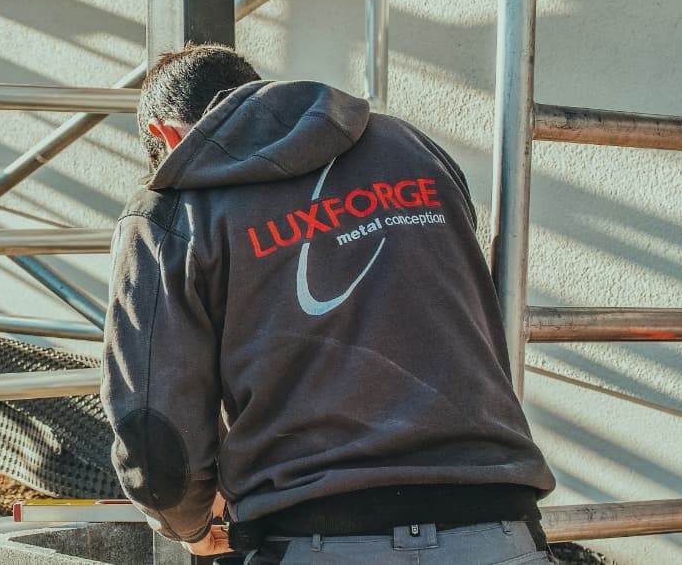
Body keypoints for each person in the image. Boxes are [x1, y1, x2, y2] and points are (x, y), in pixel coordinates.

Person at [101, 44, 556, 564]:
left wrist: (190, 525)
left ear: (166, 136)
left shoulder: (171, 211)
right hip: (498, 527)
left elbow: (156, 434)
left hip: (315, 535)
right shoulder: (408, 146)